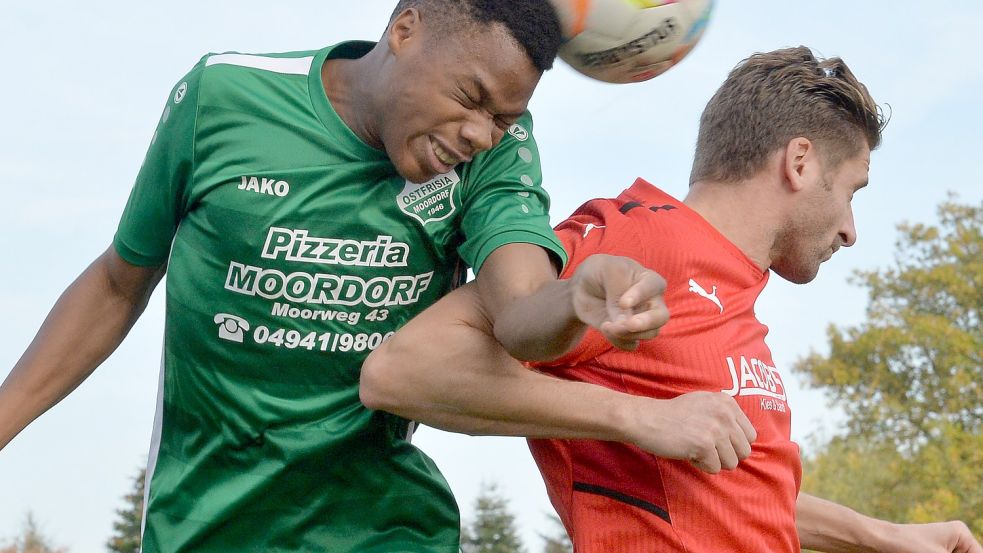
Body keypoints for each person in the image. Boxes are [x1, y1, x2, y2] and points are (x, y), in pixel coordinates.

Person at [0, 1, 670, 552]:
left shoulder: (496, 158)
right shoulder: (222, 96)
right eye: (471, 98)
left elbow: (520, 310)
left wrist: (576, 296)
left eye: (502, 117)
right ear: (405, 27)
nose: (481, 134)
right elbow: (120, 282)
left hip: (387, 530)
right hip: (202, 525)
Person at [363, 47, 983, 552]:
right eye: (852, 190)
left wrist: (887, 537)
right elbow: (404, 370)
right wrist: (637, 416)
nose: (851, 229)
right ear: (799, 162)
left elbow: (731, 502)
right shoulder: (644, 238)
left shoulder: (734, 294)